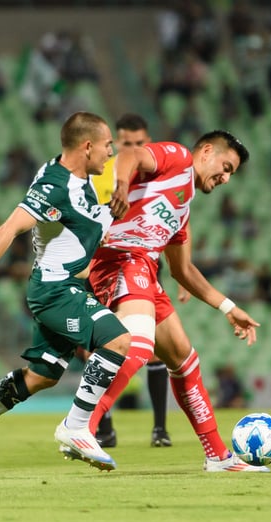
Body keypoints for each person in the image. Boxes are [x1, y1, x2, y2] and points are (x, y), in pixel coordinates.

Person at [0, 112, 131, 474]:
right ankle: (76, 427)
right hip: (57, 291)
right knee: (118, 340)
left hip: (66, 287)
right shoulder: (55, 186)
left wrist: (111, 215)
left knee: (42, 375)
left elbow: (81, 224)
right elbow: (10, 227)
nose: (111, 153)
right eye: (107, 146)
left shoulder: (78, 178)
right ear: (87, 146)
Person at [86, 129, 268, 472]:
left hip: (144, 267)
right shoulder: (179, 157)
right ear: (207, 151)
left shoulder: (182, 207)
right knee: (139, 346)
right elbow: (132, 154)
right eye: (226, 166)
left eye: (232, 174)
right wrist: (121, 184)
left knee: (183, 358)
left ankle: (217, 455)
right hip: (119, 257)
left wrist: (228, 308)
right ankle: (83, 425)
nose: (226, 178)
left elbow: (183, 270)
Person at [86, 113, 173, 448]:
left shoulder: (157, 173)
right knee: (98, 346)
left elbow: (173, 221)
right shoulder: (102, 174)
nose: (134, 148)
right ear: (117, 142)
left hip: (146, 263)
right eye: (127, 143)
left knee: (155, 351)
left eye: (140, 143)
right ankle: (103, 427)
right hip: (105, 263)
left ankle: (160, 428)